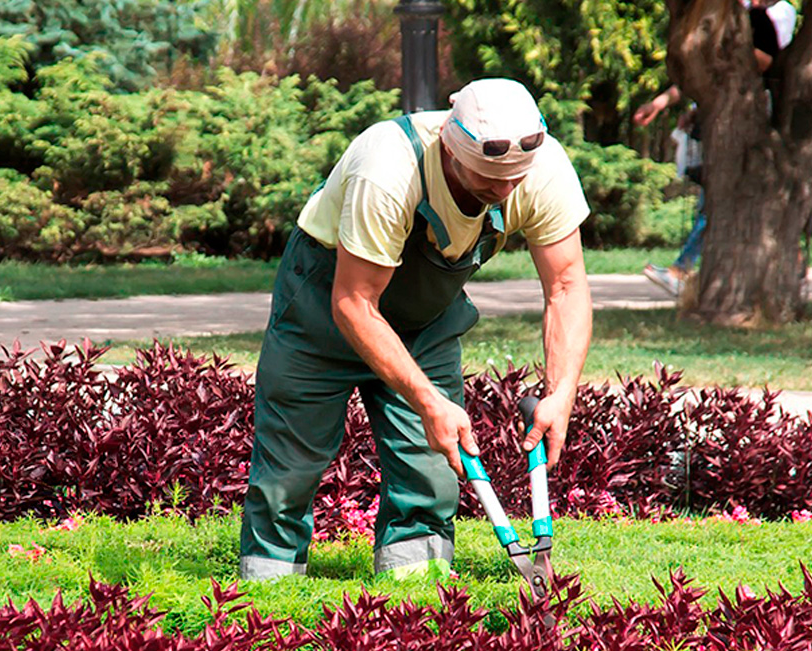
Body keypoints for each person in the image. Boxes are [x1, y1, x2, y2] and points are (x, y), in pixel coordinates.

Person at [239, 79, 593, 581]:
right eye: (490, 179)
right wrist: (428, 401)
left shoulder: (542, 167)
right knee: (289, 470)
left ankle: (416, 595)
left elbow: (566, 285)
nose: (506, 191)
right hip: (325, 306)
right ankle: (267, 593)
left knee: (431, 471)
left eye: (515, 180)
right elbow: (354, 302)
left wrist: (561, 393)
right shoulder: (387, 169)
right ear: (451, 147)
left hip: (425, 320)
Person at [635, 0, 796, 296]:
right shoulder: (737, 18)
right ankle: (685, 269)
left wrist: (730, 53)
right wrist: (666, 104)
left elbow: (765, 60)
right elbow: (702, 78)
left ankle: (682, 269)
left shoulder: (763, 19)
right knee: (713, 202)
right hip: (723, 127)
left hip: (757, 126)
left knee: (717, 204)